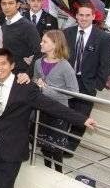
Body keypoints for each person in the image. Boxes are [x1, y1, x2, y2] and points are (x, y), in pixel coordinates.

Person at [0, 48, 96, 188]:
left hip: (14, 146)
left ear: (12, 66)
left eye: (3, 64)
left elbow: (52, 106)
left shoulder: (25, 88)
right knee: (1, 186)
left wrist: (81, 119)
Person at [64, 4, 110, 153]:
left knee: (81, 118)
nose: (84, 18)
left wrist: (97, 85)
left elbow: (105, 63)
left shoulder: (103, 37)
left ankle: (70, 148)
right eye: (81, 15)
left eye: (87, 15)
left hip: (87, 84)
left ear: (93, 17)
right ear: (76, 16)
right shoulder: (66, 33)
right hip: (66, 82)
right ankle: (58, 142)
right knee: (64, 113)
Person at [34, 30, 80, 173]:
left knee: (57, 148)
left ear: (55, 44)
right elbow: (36, 79)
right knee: (45, 146)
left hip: (59, 112)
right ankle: (48, 171)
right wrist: (37, 83)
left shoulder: (65, 66)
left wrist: (47, 90)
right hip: (42, 111)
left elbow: (73, 92)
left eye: (45, 41)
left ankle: (59, 173)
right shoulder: (38, 62)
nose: (41, 43)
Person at [0, 0, 41, 75]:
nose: (7, 7)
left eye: (11, 3)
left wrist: (28, 74)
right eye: (4, 4)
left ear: (18, 5)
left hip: (20, 76)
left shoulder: (28, 27)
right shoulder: (4, 24)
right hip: (5, 72)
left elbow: (39, 53)